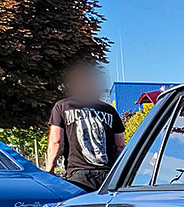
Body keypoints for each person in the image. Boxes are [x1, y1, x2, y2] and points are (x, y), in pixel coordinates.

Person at [44, 62, 125, 190]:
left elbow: (56, 141)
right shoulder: (109, 110)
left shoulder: (62, 106)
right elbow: (120, 145)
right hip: (109, 174)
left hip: (78, 174)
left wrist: (49, 169)